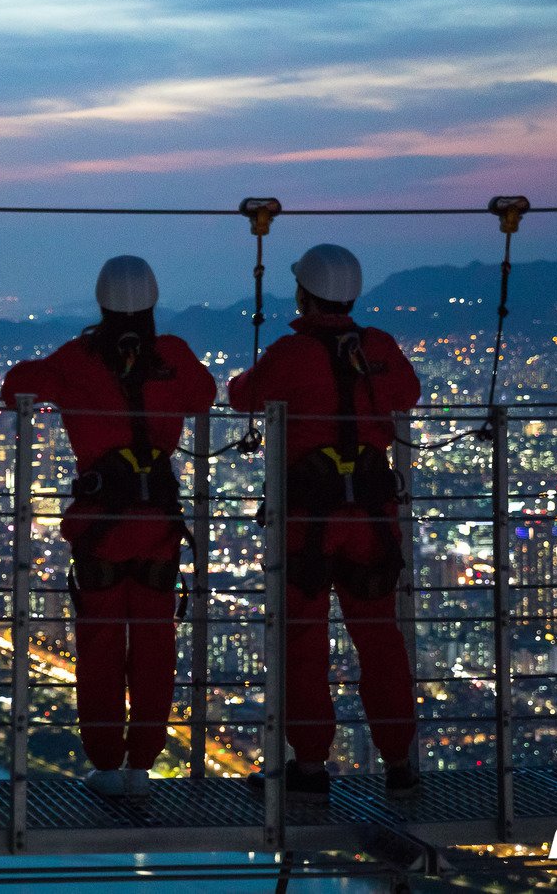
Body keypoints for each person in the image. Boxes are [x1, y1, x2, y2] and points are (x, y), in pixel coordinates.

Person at [2, 256, 217, 798]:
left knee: (99, 648)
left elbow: (15, 386)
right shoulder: (172, 355)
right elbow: (205, 394)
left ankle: (104, 763)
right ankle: (142, 764)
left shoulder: (77, 360)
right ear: (153, 301)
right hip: (159, 527)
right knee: (155, 646)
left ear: (100, 301)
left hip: (100, 526)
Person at [228, 243, 422, 802]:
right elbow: (408, 392)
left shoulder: (293, 354)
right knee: (380, 637)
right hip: (373, 516)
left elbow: (242, 395)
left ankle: (310, 767)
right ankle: (399, 764)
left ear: (304, 294)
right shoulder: (378, 346)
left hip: (309, 520)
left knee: (304, 640)